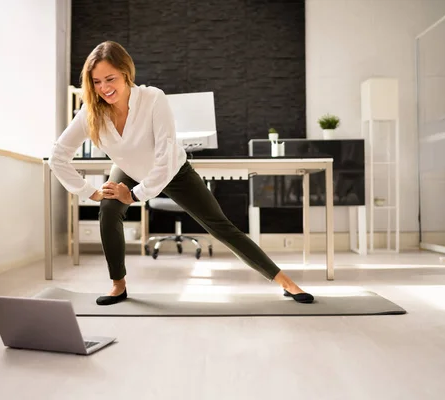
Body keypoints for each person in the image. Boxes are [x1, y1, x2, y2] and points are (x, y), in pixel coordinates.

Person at [48, 41, 314, 306]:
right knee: (107, 209)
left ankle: (285, 282)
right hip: (128, 170)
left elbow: (164, 157)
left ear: (126, 74)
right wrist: (90, 192)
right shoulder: (91, 111)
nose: (104, 88)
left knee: (220, 226)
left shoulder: (153, 99)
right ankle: (118, 285)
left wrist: (135, 195)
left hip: (173, 171)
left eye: (110, 79)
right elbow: (58, 156)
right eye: (96, 82)